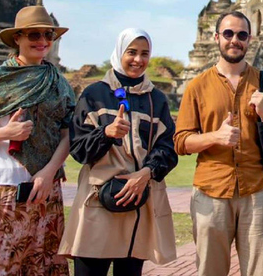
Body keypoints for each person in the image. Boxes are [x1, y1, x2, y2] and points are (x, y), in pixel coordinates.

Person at [0, 5, 75, 275]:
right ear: (17, 38)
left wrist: (48, 172)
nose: (43, 42)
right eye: (34, 35)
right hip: (2, 187)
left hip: (47, 188)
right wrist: (4, 133)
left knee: (41, 265)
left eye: (48, 35)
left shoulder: (58, 81)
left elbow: (68, 132)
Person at [174, 11, 263, 276]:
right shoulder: (197, 86)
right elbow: (181, 141)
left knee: (261, 270)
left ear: (249, 39)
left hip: (256, 189)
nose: (234, 40)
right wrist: (215, 137)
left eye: (241, 35)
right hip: (211, 189)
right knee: (210, 270)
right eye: (228, 33)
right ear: (216, 37)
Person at [59, 28, 178, 275]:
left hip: (138, 200)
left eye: (145, 54)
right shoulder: (95, 94)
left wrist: (146, 173)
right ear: (119, 52)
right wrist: (106, 134)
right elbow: (79, 149)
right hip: (98, 200)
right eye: (131, 52)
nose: (138, 60)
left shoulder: (156, 98)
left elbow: (168, 147)